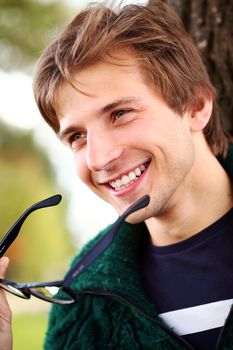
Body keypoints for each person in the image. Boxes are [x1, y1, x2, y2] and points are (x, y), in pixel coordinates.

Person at [1, 1, 233, 349]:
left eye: (120, 114)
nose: (98, 158)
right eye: (77, 136)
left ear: (196, 106)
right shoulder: (80, 305)